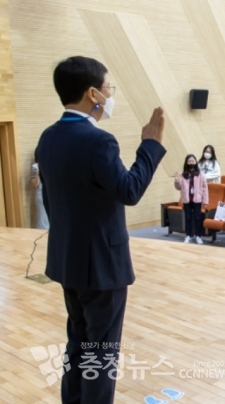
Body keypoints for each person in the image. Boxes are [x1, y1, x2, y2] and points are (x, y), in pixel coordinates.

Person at [35, 56, 166, 403]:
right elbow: (129, 191)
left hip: (67, 260)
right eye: (109, 88)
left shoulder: (48, 138)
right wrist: (150, 145)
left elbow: (51, 201)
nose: (111, 95)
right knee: (102, 352)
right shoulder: (99, 141)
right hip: (103, 266)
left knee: (78, 344)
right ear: (93, 93)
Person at [174, 154, 209, 244]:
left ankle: (198, 236)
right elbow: (178, 187)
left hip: (197, 200)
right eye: (189, 161)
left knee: (197, 218)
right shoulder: (183, 174)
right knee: (188, 218)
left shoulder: (200, 174)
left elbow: (205, 188)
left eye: (193, 161)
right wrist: (177, 180)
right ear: (186, 162)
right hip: (187, 200)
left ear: (196, 162)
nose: (191, 162)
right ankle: (188, 235)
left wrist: (205, 201)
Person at [31, 159, 49, 229]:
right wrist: (39, 171)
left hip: (52, 194)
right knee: (43, 217)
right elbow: (34, 183)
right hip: (41, 194)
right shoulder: (35, 166)